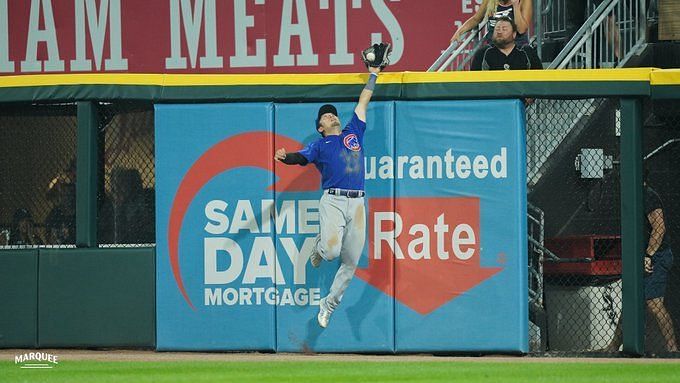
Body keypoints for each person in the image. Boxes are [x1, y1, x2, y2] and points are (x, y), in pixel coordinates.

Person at [273, 65, 381, 329]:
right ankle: (320, 244)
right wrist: (286, 157)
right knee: (331, 253)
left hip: (357, 203)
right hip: (333, 199)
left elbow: (364, 99)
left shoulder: (353, 132)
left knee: (351, 261)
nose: (332, 116)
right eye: (327, 116)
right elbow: (301, 158)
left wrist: (374, 73)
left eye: (333, 114)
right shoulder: (320, 145)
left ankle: (328, 304)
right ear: (320, 127)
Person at [605, 172, 678, 353]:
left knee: (654, 303)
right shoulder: (634, 197)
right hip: (641, 257)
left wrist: (649, 255)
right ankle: (613, 346)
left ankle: (673, 349)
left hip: (657, 256)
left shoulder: (648, 195)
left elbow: (659, 228)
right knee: (630, 302)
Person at [471, 17, 542, 71]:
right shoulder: (482, 53)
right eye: (497, 29)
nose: (499, 32)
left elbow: (539, 79)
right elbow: (473, 82)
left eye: (504, 29)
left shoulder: (527, 52)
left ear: (514, 34)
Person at [450, 0, 533, 47]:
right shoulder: (490, 1)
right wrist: (459, 32)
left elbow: (522, 30)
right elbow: (476, 19)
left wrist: (515, 6)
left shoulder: (524, 1)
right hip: (494, 46)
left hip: (516, 46)